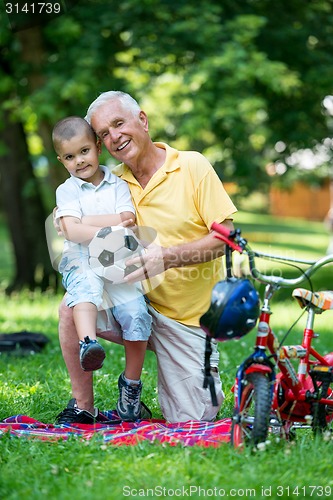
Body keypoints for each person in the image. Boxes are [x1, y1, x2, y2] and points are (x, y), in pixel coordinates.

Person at [55, 91, 237, 425]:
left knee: (195, 419)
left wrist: (167, 258)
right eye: (104, 134)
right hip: (131, 301)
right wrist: (65, 219)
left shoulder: (192, 166)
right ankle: (83, 406)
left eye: (119, 123)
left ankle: (148, 391)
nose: (114, 137)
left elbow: (225, 239)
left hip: (187, 322)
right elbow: (75, 211)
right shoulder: (111, 181)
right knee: (72, 306)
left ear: (143, 120)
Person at [53, 116, 152, 421]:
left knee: (136, 312)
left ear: (97, 146)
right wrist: (108, 225)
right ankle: (88, 344)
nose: (79, 161)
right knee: (84, 289)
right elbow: (70, 232)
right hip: (82, 260)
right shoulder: (67, 191)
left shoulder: (118, 185)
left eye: (84, 151)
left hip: (116, 260)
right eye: (70, 157)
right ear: (61, 160)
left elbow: (128, 219)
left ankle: (131, 387)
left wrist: (84, 223)